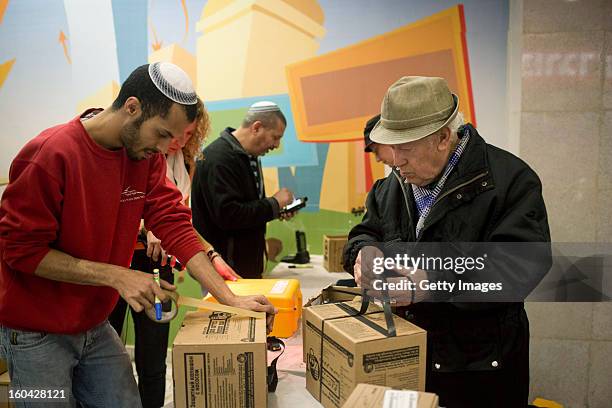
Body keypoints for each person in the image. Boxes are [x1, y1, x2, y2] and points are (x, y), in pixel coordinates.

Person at [0, 62, 275, 408]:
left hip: (93, 326)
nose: (164, 149)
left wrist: (229, 298)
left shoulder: (144, 158)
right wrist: (118, 276)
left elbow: (174, 222)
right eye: (161, 134)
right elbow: (20, 251)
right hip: (34, 334)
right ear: (132, 107)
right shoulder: (50, 155)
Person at [343, 76, 551, 407]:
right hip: (408, 361)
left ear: (442, 138)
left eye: (405, 148)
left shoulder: (508, 181)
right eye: (392, 147)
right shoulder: (392, 186)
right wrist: (362, 254)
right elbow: (365, 232)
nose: (395, 160)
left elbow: (521, 267)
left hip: (477, 372)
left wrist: (432, 283)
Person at [108, 97, 224, 408]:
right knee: (109, 349)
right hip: (120, 264)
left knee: (154, 351)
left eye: (186, 135)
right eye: (169, 133)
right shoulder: (132, 155)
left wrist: (208, 252)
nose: (175, 142)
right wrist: (146, 227)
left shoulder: (184, 165)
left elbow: (179, 221)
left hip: (159, 269)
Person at [191, 102, 296, 279]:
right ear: (257, 127)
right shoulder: (218, 159)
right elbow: (229, 215)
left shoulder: (248, 156)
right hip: (226, 269)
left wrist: (275, 210)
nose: (277, 145)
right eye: (275, 137)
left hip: (243, 266)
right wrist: (274, 203)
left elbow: (246, 206)